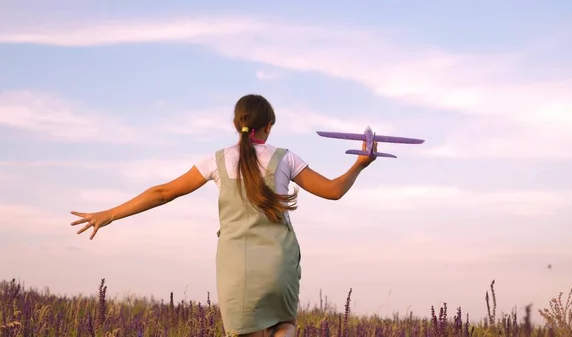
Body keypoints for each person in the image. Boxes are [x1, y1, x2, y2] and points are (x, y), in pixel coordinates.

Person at [70, 94, 378, 337]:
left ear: (236, 124)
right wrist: (359, 164)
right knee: (285, 324)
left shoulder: (217, 160)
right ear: (269, 125)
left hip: (237, 268)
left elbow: (163, 193)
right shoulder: (285, 158)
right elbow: (333, 190)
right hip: (279, 264)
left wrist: (110, 214)